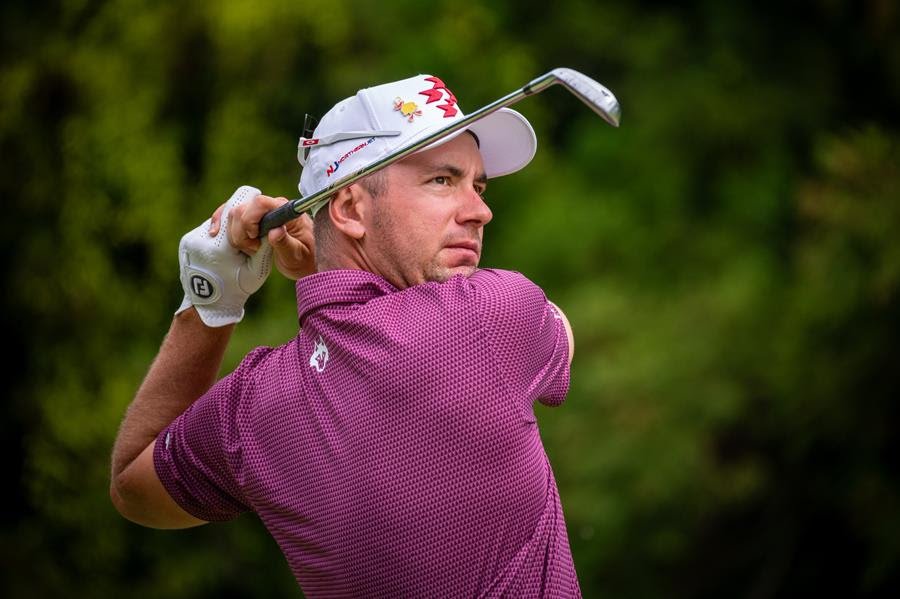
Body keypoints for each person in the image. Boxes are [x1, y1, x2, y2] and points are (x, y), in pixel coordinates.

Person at [110, 73, 580, 597]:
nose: (480, 211)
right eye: (442, 181)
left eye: (478, 184)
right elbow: (559, 327)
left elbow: (133, 486)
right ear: (351, 208)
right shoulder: (494, 315)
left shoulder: (255, 405)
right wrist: (324, 270)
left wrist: (209, 302)